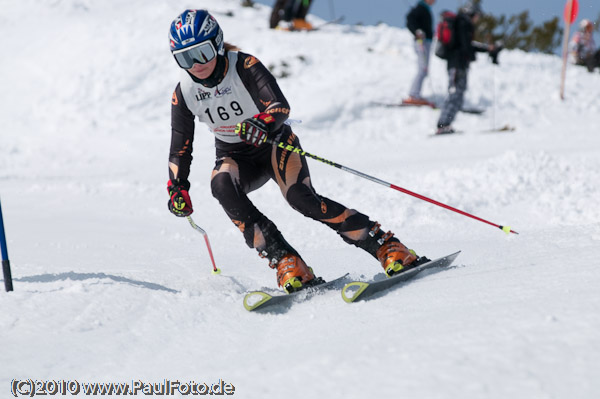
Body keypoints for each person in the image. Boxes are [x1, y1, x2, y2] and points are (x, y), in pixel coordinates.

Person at [167, 9, 429, 293]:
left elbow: (279, 106)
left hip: (274, 144)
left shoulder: (243, 65)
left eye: (202, 52)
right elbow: (180, 145)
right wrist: (177, 187)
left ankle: (388, 247)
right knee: (221, 184)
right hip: (235, 156)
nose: (196, 64)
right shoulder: (184, 91)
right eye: (185, 58)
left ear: (217, 42)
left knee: (301, 199)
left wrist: (261, 124)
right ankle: (287, 263)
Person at [435, 2, 497, 135]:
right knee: (455, 93)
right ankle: (443, 124)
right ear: (473, 14)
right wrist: (475, 53)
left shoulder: (461, 23)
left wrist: (485, 49)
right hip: (458, 64)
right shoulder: (464, 24)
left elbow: (468, 44)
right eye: (478, 16)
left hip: (457, 63)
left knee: (457, 92)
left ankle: (445, 124)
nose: (478, 19)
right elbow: (466, 46)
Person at [404, 0, 436, 106]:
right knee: (423, 69)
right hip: (421, 42)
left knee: (424, 69)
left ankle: (415, 93)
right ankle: (413, 94)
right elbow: (410, 20)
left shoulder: (425, 9)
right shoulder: (420, 8)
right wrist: (416, 31)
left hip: (426, 42)